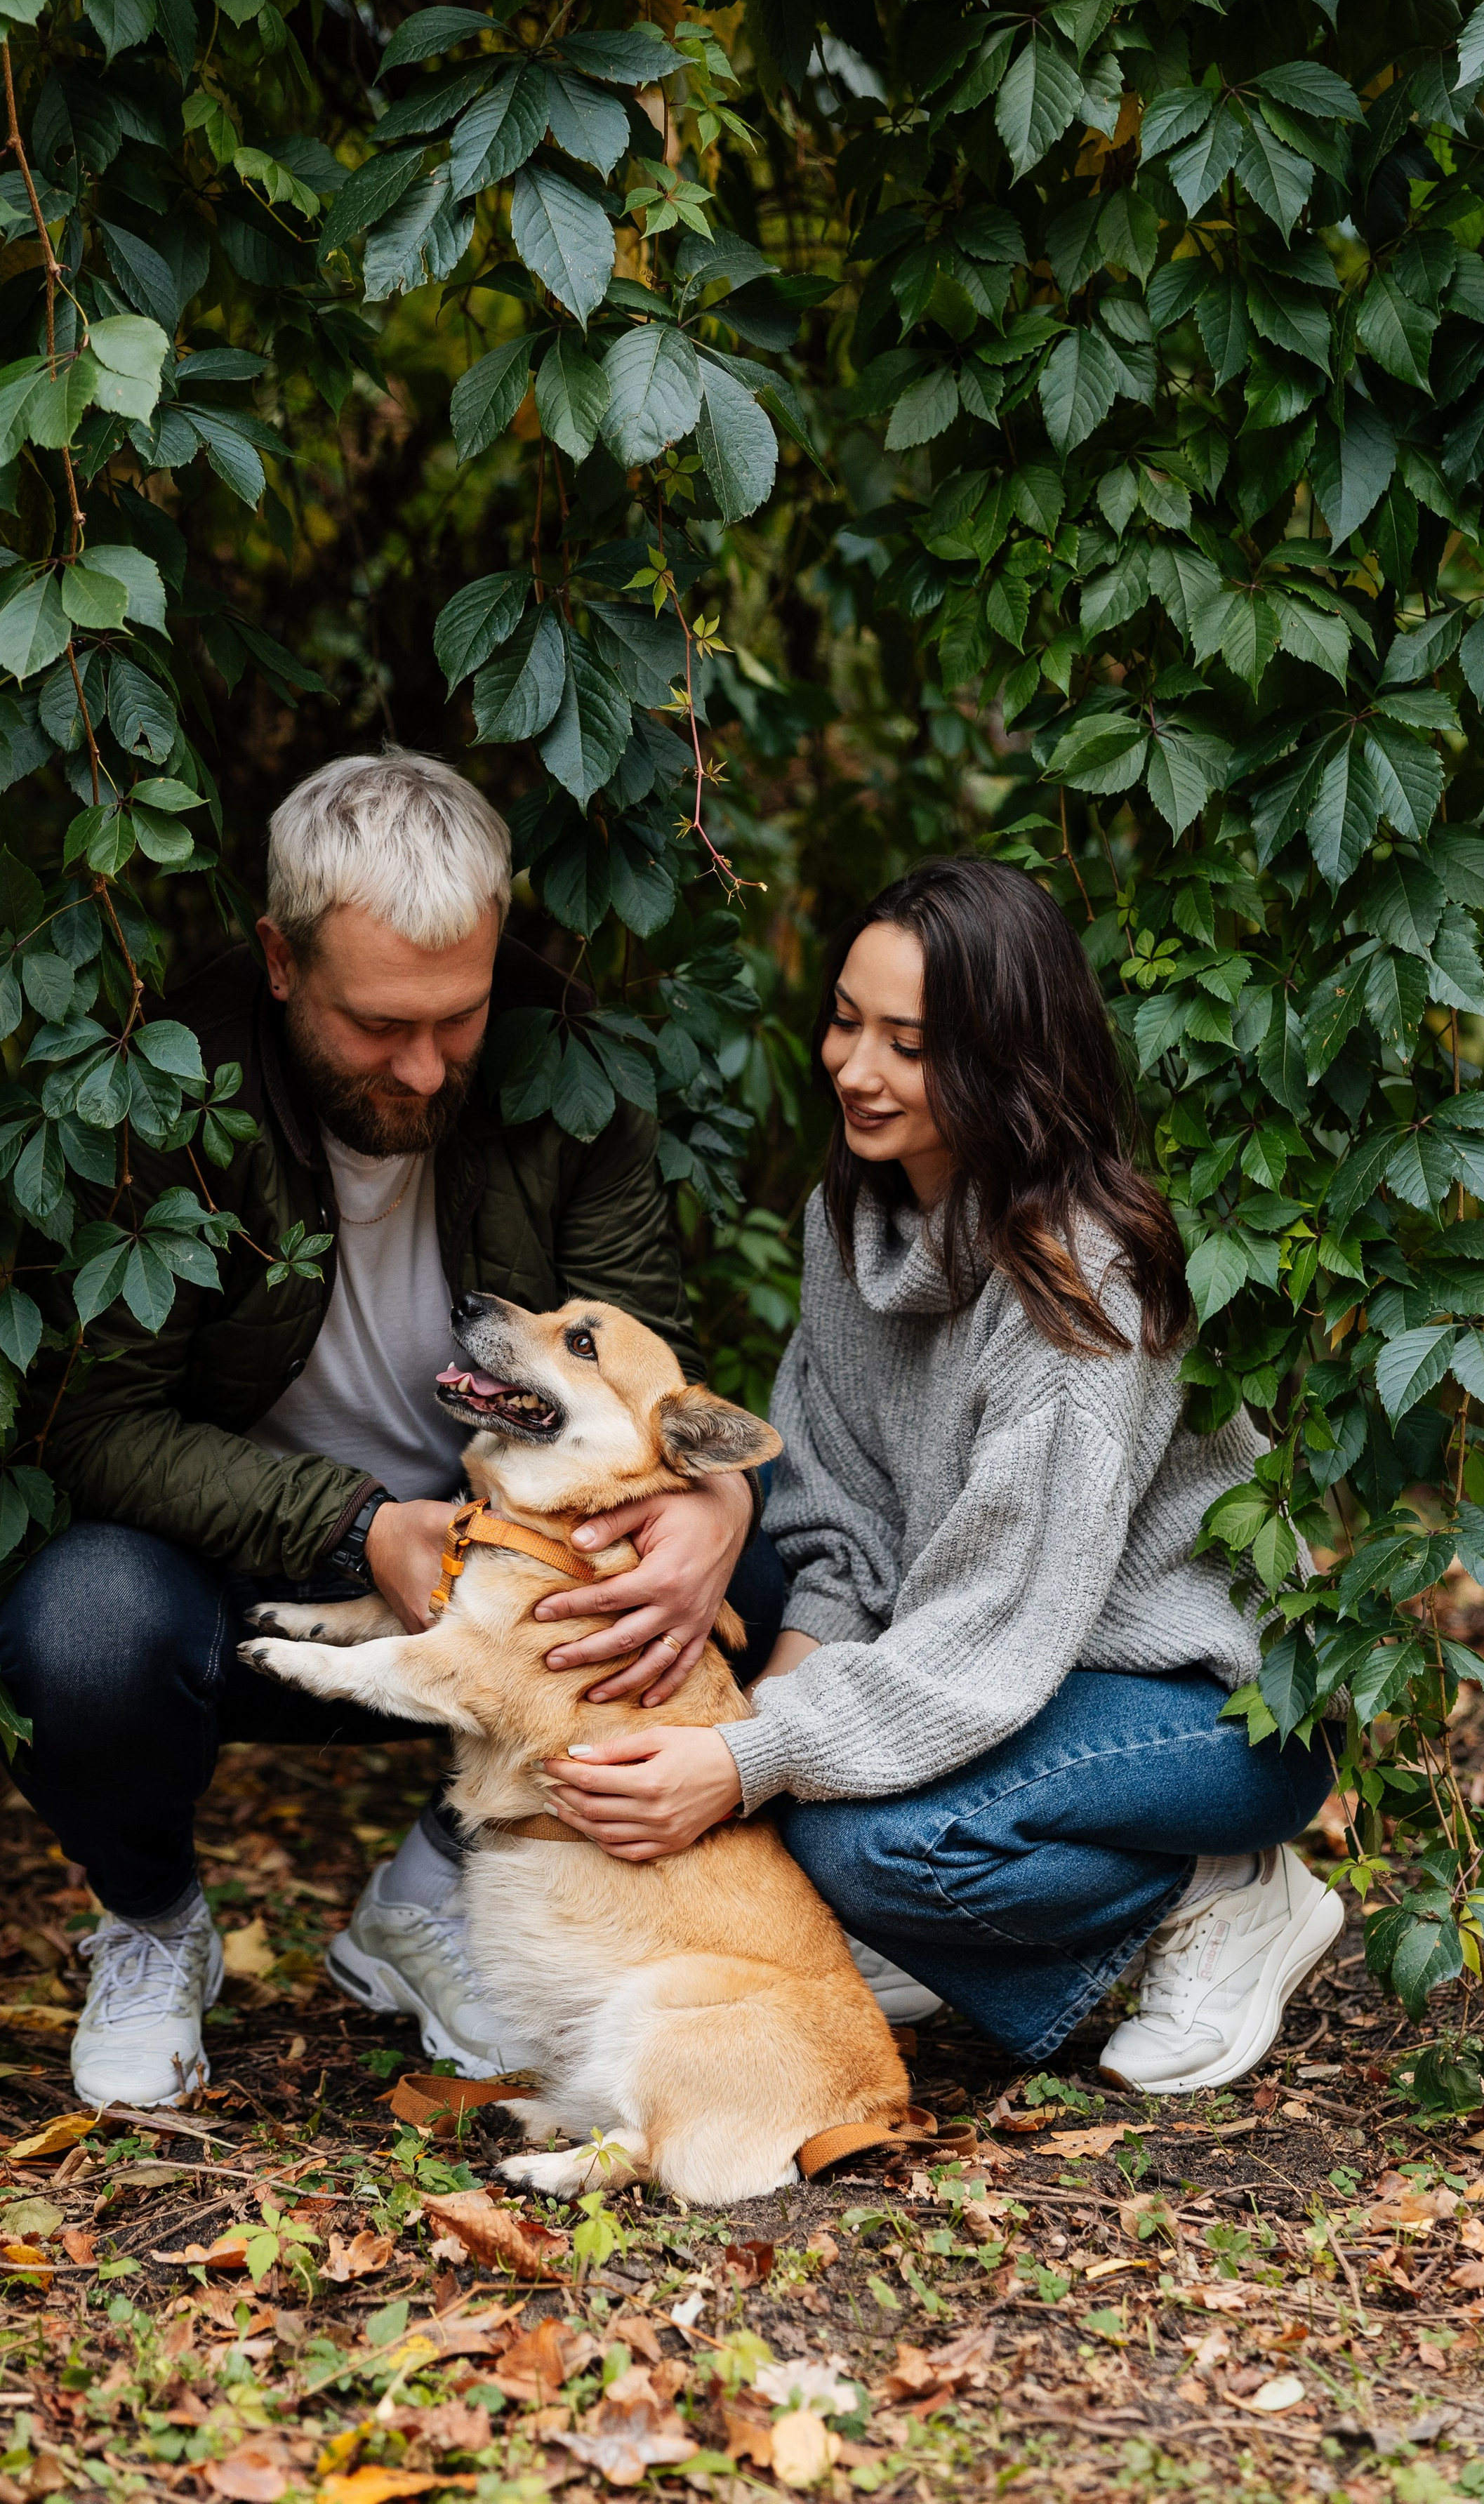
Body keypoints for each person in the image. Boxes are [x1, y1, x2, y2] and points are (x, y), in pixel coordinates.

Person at [0, 750, 775, 2105]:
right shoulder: (169, 1094)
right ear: (281, 960)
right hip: (231, 1583)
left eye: (458, 1017)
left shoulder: (562, 1066)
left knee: (744, 1580)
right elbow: (95, 1427)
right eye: (378, 1026)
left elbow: (639, 1365)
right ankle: (155, 1924)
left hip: (509, 1583)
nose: (424, 1067)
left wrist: (717, 1508)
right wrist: (362, 1532)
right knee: (81, 1631)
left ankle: (435, 1887)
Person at [539, 858, 1344, 2095]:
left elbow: (998, 1622)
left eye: (908, 1044)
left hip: (1201, 1714)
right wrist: (759, 1752)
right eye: (848, 1022)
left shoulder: (1081, 1281)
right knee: (816, 1813)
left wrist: (746, 1763)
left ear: (1005, 1062)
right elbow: (843, 1533)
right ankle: (950, 1923)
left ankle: (1219, 1895)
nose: (856, 1068)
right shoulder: (851, 1227)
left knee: (867, 1845)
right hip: (1022, 1671)